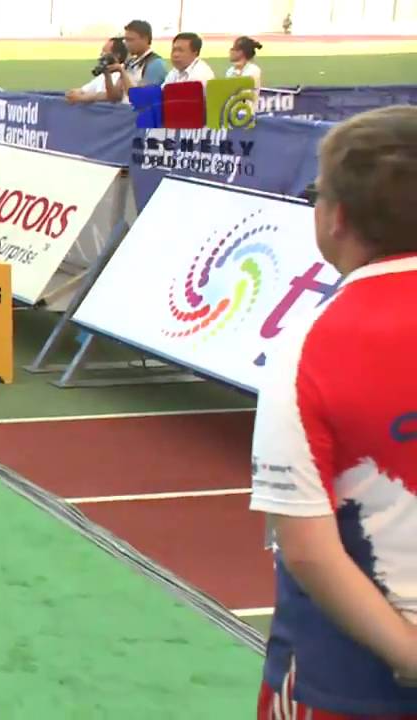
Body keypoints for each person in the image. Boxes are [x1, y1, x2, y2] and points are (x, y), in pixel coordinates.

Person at [248, 105, 417, 717]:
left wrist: (408, 655)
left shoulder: (309, 345)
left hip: (343, 678)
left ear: (336, 217)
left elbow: (309, 549)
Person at [109, 19, 169, 100]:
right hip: (122, 108)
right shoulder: (130, 62)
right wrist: (107, 75)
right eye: (125, 40)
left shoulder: (155, 64)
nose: (127, 44)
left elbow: (139, 98)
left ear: (145, 39)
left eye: (130, 40)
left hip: (137, 111)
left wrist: (122, 72)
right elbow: (114, 97)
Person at [65, 37, 129, 105]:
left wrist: (83, 97)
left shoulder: (124, 74)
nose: (101, 55)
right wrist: (73, 93)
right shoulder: (104, 74)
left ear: (116, 55)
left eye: (104, 51)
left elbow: (111, 96)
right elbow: (83, 90)